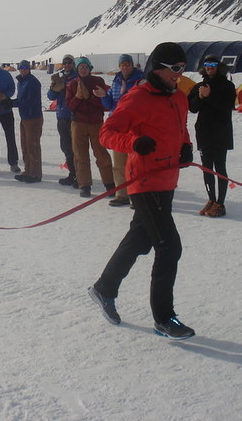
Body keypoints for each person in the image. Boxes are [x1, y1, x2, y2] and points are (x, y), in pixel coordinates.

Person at [88, 42, 195, 340]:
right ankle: (164, 318)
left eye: (183, 68)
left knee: (139, 238)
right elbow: (107, 133)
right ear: (157, 68)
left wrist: (185, 145)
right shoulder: (137, 97)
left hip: (167, 180)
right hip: (144, 182)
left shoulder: (179, 97)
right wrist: (133, 143)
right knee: (169, 247)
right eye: (175, 69)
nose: (179, 74)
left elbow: (181, 127)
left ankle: (104, 288)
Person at [188, 54, 236, 218]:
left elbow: (227, 106)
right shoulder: (200, 86)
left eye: (213, 65)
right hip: (204, 132)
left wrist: (210, 96)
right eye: (207, 64)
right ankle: (211, 199)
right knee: (206, 167)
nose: (210, 67)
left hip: (221, 132)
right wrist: (201, 97)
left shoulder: (227, 85)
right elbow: (192, 107)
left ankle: (220, 203)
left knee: (220, 167)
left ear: (219, 67)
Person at [65, 57, 114, 198]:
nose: (83, 69)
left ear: (90, 68)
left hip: (96, 123)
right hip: (78, 123)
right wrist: (78, 97)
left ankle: (110, 184)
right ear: (77, 69)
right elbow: (70, 106)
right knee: (80, 155)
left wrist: (93, 98)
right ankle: (84, 185)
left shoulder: (98, 81)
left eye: (85, 67)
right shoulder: (72, 84)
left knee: (101, 153)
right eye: (80, 67)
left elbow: (104, 103)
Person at [101, 54, 146, 207]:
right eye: (122, 65)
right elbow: (110, 104)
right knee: (119, 163)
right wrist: (103, 96)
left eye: (127, 64)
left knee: (135, 163)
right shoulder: (117, 80)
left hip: (134, 126)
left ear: (132, 65)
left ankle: (137, 195)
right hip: (117, 126)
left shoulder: (141, 80)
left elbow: (140, 102)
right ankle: (122, 194)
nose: (125, 67)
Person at [7, 60, 43, 183]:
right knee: (25, 146)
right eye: (21, 68)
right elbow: (21, 99)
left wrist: (12, 103)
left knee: (33, 146)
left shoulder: (33, 82)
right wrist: (11, 102)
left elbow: (30, 101)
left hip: (33, 117)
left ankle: (35, 174)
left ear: (29, 69)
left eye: (25, 68)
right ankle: (28, 171)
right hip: (25, 117)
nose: (23, 70)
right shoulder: (21, 82)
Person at [47, 54, 79, 187]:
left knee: (76, 148)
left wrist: (65, 89)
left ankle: (80, 176)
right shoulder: (59, 77)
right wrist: (53, 88)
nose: (67, 65)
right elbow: (50, 96)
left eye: (69, 62)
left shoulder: (77, 78)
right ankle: (72, 174)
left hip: (73, 116)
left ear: (73, 64)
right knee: (66, 147)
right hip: (61, 116)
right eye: (65, 63)